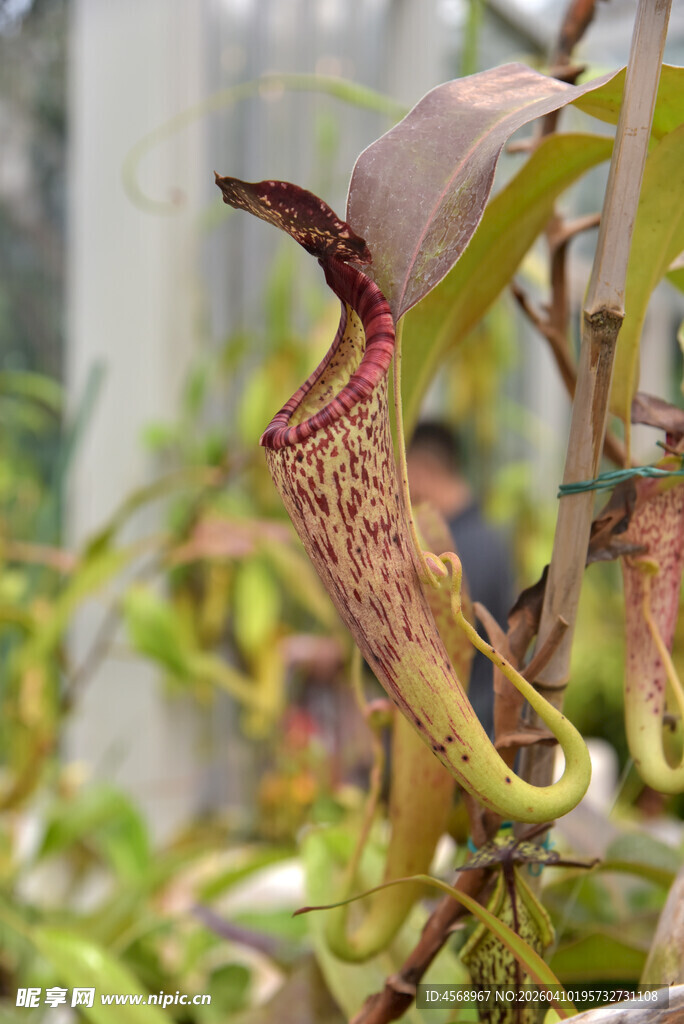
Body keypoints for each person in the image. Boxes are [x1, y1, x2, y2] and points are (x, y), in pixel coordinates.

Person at [406, 421, 514, 738]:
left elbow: (427, 651)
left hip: (464, 731)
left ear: (422, 469)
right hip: (477, 723)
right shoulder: (483, 535)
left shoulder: (457, 547)